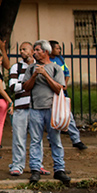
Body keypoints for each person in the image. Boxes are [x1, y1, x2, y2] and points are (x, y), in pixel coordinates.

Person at [23, 40, 71, 185]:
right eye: (34, 50)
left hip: (52, 109)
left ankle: (59, 169)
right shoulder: (31, 69)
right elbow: (26, 87)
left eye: (37, 50)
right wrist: (34, 76)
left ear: (45, 52)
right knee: (36, 140)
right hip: (35, 108)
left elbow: (59, 88)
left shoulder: (55, 68)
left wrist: (45, 74)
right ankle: (35, 169)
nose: (34, 52)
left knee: (55, 140)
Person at [51, 42, 87, 150]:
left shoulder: (60, 59)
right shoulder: (47, 61)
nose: (59, 50)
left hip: (61, 93)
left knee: (68, 116)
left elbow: (67, 73)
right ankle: (52, 141)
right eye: (57, 48)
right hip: (50, 93)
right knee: (52, 118)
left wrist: (64, 84)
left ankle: (76, 140)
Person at [8, 42, 35, 176]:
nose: (21, 52)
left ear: (32, 51)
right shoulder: (16, 67)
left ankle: (37, 165)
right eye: (20, 49)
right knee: (19, 138)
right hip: (21, 107)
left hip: (36, 107)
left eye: (24, 49)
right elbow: (13, 87)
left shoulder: (39, 66)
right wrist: (28, 83)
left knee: (37, 139)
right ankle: (17, 165)